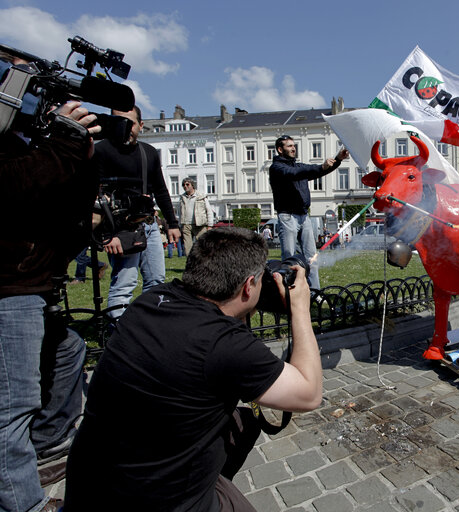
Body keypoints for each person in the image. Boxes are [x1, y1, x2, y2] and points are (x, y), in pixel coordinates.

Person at [64, 228, 323, 511]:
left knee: (244, 422)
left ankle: (209, 480)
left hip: (88, 487)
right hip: (152, 501)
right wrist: (300, 309)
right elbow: (309, 394)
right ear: (248, 286)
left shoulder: (150, 300)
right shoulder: (224, 344)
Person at [1, 90, 100, 510]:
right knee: (12, 403)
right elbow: (13, 189)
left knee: (69, 350)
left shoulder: (27, 144)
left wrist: (82, 155)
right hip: (8, 286)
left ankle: (40, 447)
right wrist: (61, 140)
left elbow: (68, 207)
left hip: (33, 281)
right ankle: (24, 503)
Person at [94, 106, 181, 318]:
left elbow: (160, 190)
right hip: (120, 226)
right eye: (118, 122)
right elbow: (95, 195)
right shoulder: (102, 150)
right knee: (124, 283)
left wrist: (173, 223)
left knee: (156, 281)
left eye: (130, 123)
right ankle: (119, 335)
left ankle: (146, 329)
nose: (124, 128)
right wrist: (108, 235)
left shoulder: (148, 152)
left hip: (148, 223)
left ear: (141, 126)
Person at [269, 135, 349, 289]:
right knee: (289, 258)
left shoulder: (299, 167)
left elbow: (316, 172)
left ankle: (315, 292)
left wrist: (337, 159)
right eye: (289, 146)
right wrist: (319, 167)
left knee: (312, 258)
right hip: (287, 217)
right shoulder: (278, 168)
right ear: (280, 149)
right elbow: (295, 174)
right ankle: (290, 294)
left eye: (294, 145)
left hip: (304, 216)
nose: (293, 148)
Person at [179, 177, 214, 252]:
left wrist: (210, 225)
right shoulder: (182, 198)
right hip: (186, 225)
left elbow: (209, 211)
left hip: (199, 225)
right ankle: (190, 263)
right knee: (187, 248)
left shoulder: (201, 196)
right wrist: (180, 225)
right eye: (183, 185)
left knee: (203, 246)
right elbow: (180, 212)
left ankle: (204, 262)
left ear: (192, 185)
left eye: (187, 184)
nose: (185, 186)